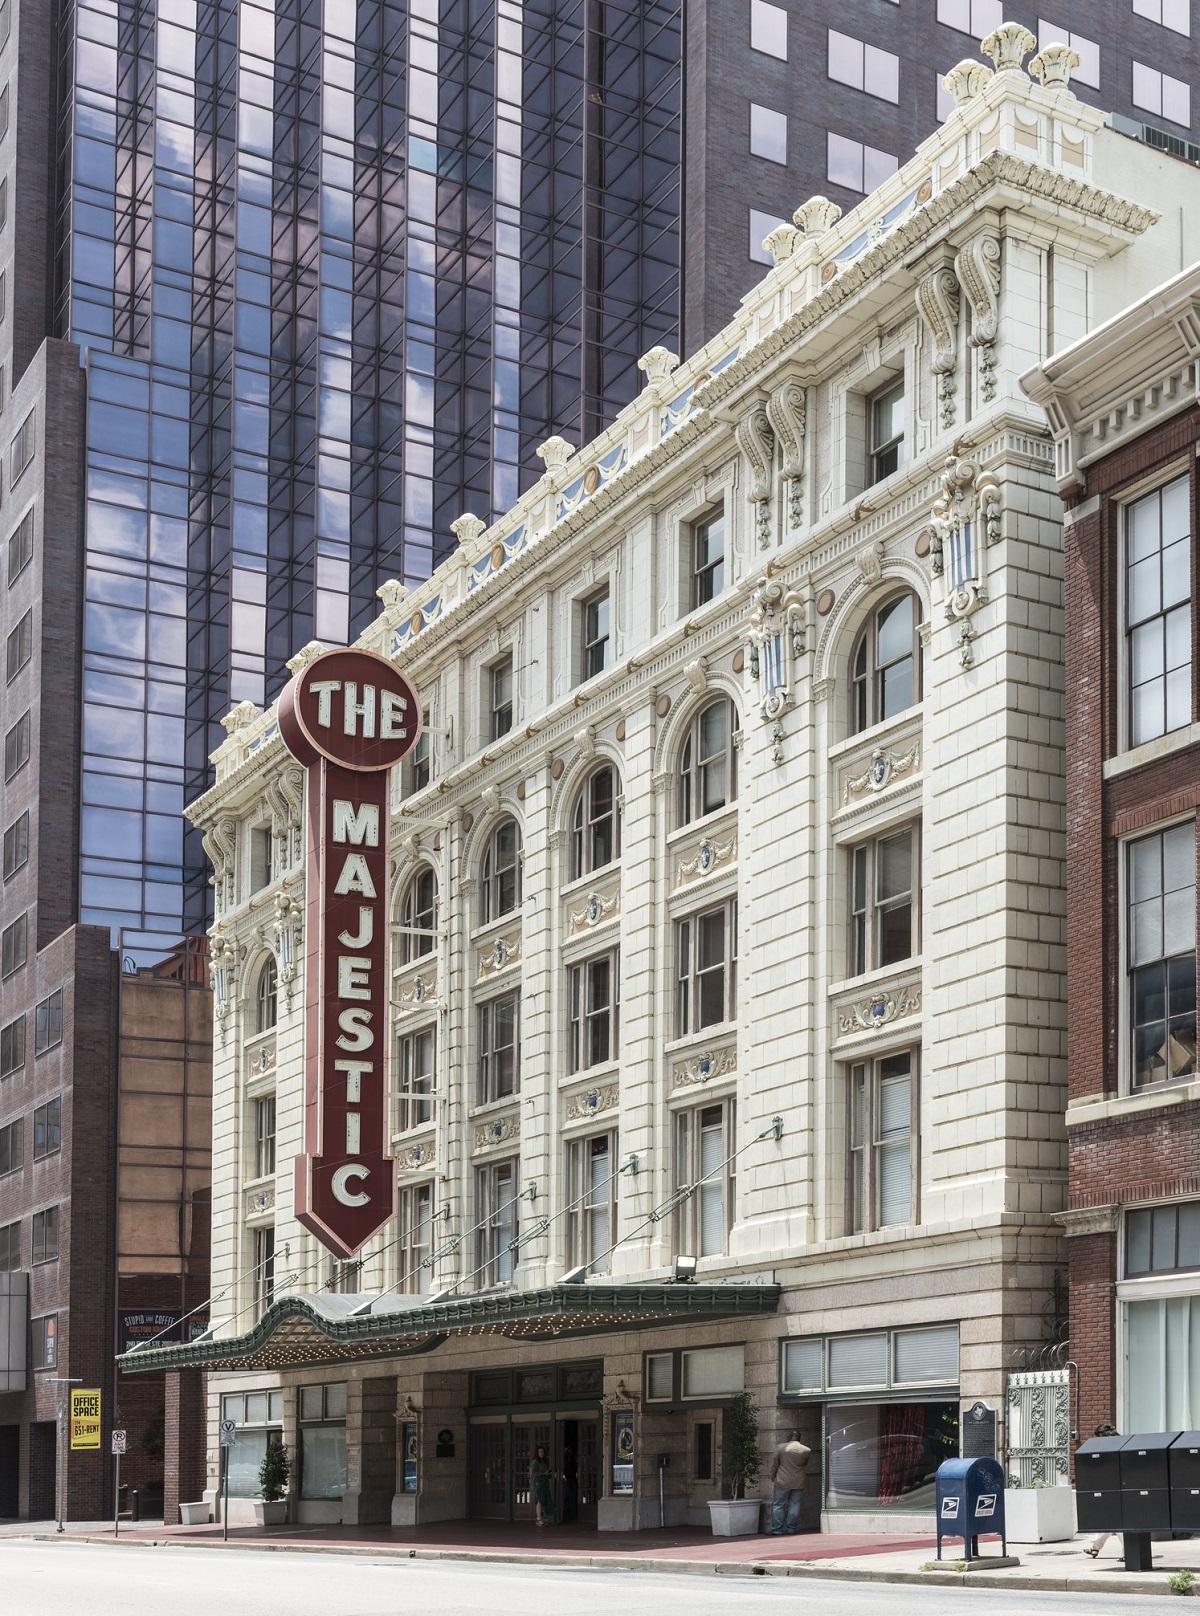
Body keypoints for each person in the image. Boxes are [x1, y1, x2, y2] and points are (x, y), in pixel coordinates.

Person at [768, 1429, 811, 1536]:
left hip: (782, 1480)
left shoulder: (780, 1447)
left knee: (778, 1505)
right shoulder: (806, 1450)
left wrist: (773, 1476)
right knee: (795, 1505)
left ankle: (777, 1530)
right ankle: (791, 1529)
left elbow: (774, 1464)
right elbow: (804, 1464)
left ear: (789, 1437)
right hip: (798, 1481)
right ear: (799, 1438)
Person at [1085, 1424, 1119, 1559]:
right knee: (1112, 1520)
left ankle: (1127, 1553)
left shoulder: (1108, 1445)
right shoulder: (1119, 1442)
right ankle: (1095, 1547)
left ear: (1101, 1435)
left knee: (1120, 1522)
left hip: (1113, 1486)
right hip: (1115, 1485)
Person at [530, 1443, 554, 1525]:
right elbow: (533, 1473)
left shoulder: (544, 1462)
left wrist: (548, 1474)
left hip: (544, 1482)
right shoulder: (535, 1462)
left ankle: (541, 1517)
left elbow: (545, 1473)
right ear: (537, 1453)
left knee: (543, 1500)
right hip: (538, 1483)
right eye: (539, 1452)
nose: (541, 1453)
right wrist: (544, 1474)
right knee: (540, 1500)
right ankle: (538, 1518)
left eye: (542, 1452)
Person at [560, 1445, 578, 1523]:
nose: (568, 1451)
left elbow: (574, 1467)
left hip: (573, 1479)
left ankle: (572, 1514)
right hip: (566, 1480)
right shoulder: (563, 1458)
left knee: (572, 1498)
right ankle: (565, 1514)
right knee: (566, 1497)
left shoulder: (573, 1458)